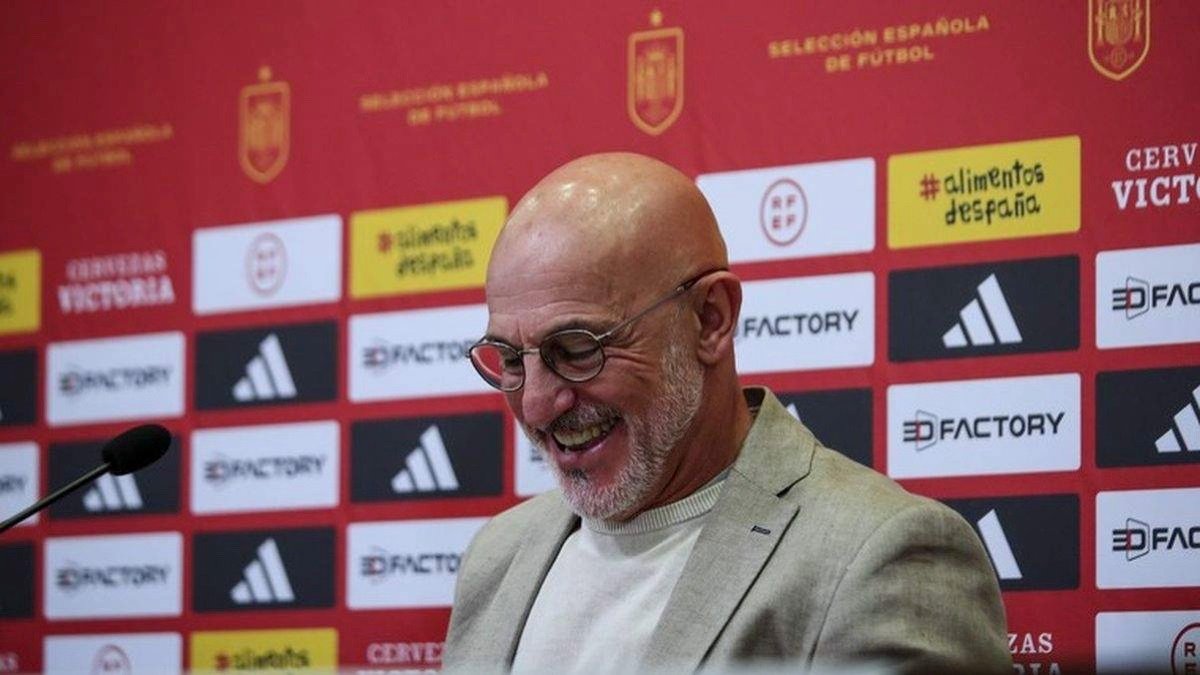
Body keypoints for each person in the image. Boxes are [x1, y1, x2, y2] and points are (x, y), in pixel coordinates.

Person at [443, 152, 1010, 673]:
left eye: (577, 349)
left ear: (710, 319)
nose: (536, 403)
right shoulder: (497, 555)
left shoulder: (878, 556)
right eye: (511, 359)